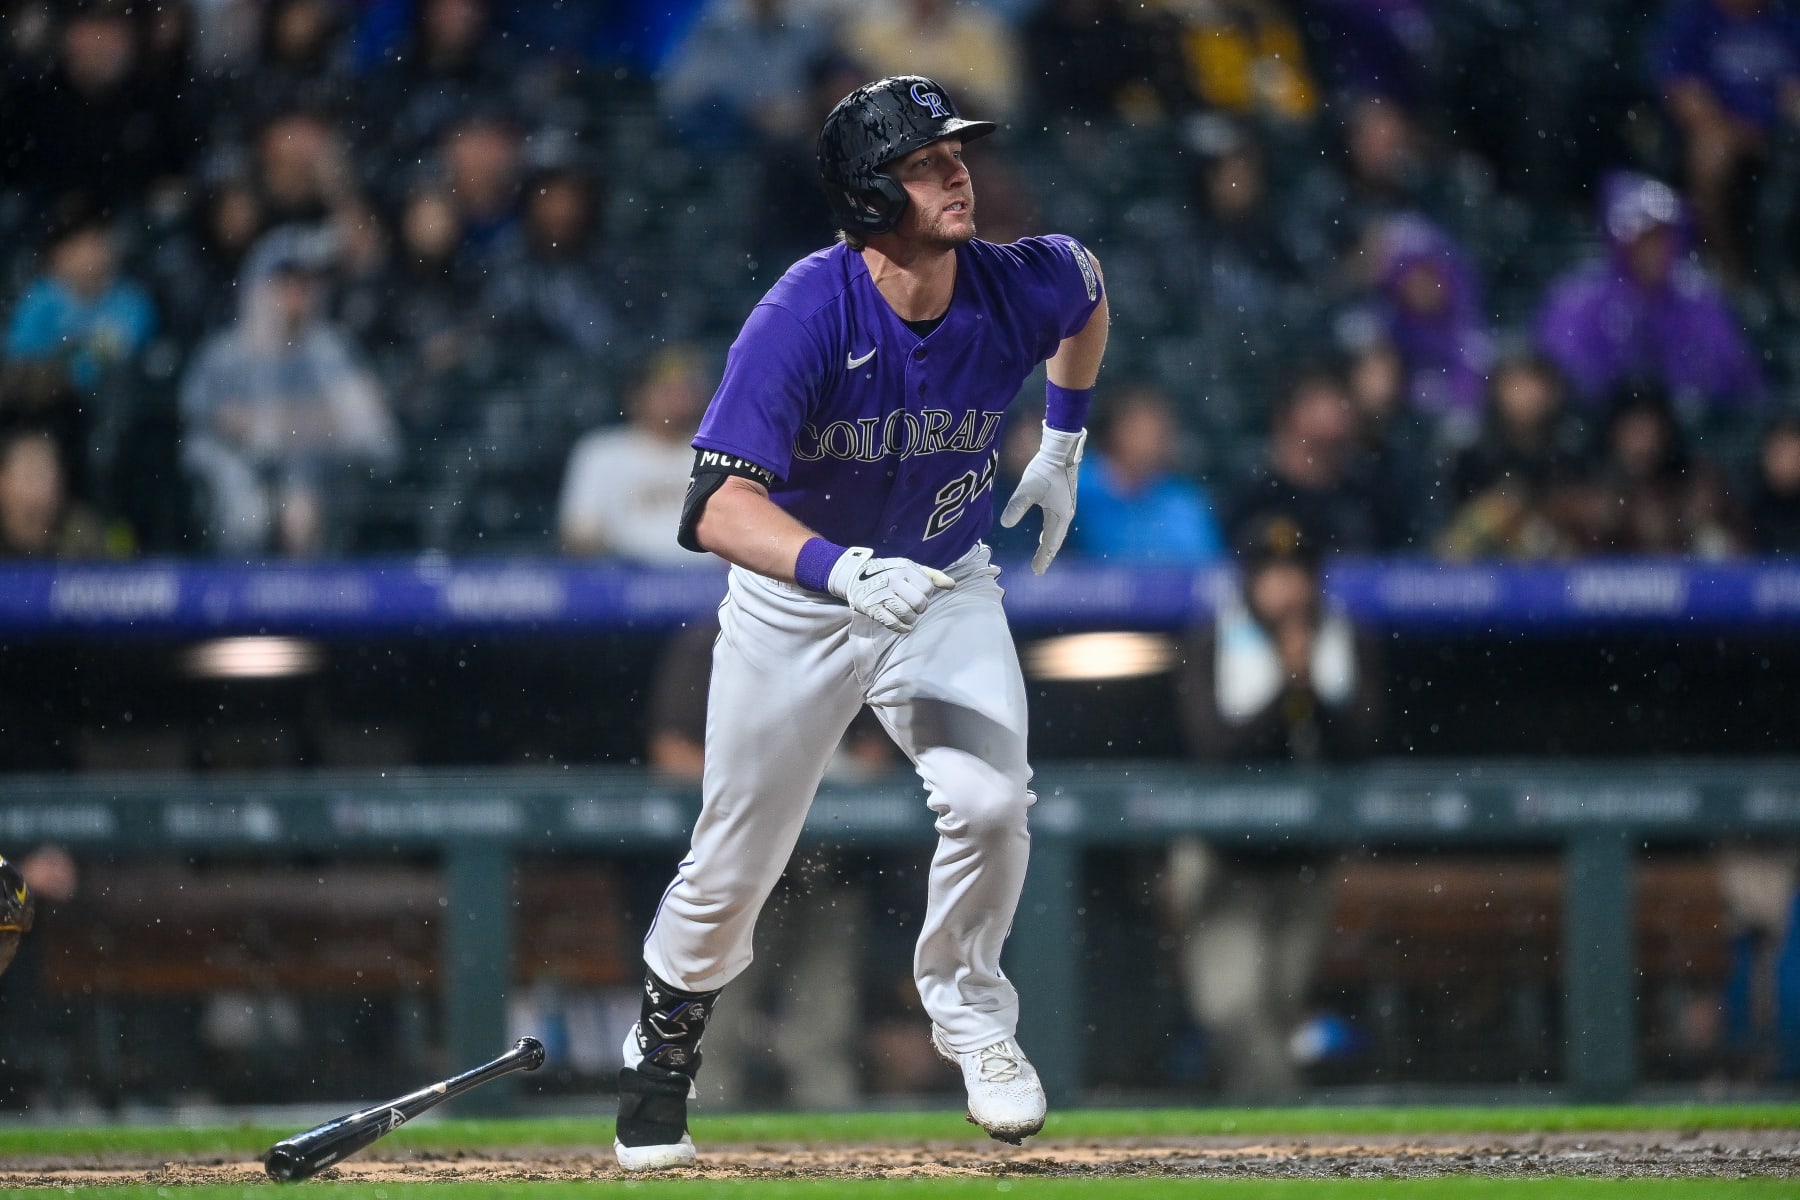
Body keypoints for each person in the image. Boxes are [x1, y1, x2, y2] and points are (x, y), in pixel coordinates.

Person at [613, 74, 1109, 1170]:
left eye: (957, 154)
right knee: (734, 862)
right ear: (870, 193)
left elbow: (1085, 289)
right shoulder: (805, 311)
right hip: (799, 604)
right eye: (929, 163)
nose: (958, 172)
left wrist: (1063, 443)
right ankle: (663, 1047)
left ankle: (974, 1017)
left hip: (940, 590)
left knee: (988, 798)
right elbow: (714, 505)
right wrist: (837, 571)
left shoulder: (1012, 278)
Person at [1164, 515, 1384, 1099]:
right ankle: (1286, 1123)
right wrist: (1285, 688)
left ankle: (1252, 1142)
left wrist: (1309, 686)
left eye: (1296, 573)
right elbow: (1213, 750)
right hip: (1225, 860)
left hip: (1306, 861)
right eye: (1271, 573)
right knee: (1230, 1007)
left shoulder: (1345, 635)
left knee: (1278, 1010)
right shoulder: (1213, 634)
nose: (1284, 587)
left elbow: (1361, 746)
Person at [179, 225, 400, 556]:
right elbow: (208, 425)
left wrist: (271, 425)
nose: (297, 294)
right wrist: (311, 422)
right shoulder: (225, 355)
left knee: (303, 499)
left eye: (307, 282)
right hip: (238, 493)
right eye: (285, 282)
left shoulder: (332, 350)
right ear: (258, 287)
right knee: (246, 509)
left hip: (322, 493)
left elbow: (375, 436)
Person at [1533, 170, 1767, 427]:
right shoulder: (1578, 299)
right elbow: (1559, 382)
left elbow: (1740, 384)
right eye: (1640, 238)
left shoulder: (1700, 300)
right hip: (1598, 439)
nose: (1651, 249)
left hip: (1687, 442)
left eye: (1660, 237)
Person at [558, 348, 710, 564]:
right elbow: (580, 536)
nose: (680, 398)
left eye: (688, 389)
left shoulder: (721, 454)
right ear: (637, 395)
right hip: (624, 582)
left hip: (712, 582)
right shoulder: (603, 452)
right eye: (667, 390)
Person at [1067, 383, 1224, 564]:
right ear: (1115, 431)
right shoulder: (1077, 488)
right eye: (1140, 431)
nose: (1150, 441)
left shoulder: (1183, 502)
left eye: (1157, 432)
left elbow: (1207, 569)